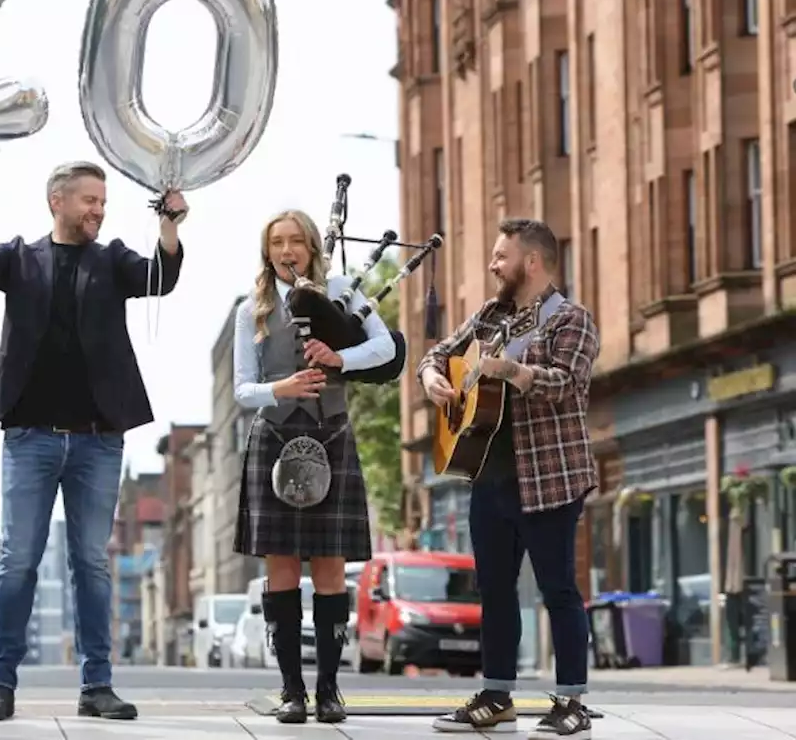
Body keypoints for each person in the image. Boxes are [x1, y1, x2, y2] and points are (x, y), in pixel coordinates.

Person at [0, 147, 187, 722]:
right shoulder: (19, 259)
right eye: (89, 200)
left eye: (103, 202)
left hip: (97, 440)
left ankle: (97, 686)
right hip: (30, 438)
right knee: (19, 560)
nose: (98, 211)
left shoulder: (112, 260)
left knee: (91, 563)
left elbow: (162, 277)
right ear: (57, 201)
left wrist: (169, 225)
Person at [418, 218, 599, 739]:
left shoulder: (572, 320)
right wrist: (433, 378)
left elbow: (565, 384)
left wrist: (509, 371)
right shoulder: (490, 315)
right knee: (495, 593)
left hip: (549, 478)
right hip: (488, 478)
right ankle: (497, 696)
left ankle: (572, 702)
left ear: (532, 262)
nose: (493, 265)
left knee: (558, 589)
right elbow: (437, 354)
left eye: (502, 256)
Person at [232, 209, 397, 725]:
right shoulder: (252, 310)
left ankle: (328, 691)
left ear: (310, 248)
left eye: (296, 242)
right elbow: (242, 389)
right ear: (268, 251)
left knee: (328, 567)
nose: (287, 251)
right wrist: (281, 388)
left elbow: (385, 349)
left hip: (332, 431)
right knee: (280, 566)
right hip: (276, 435)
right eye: (277, 243)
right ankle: (290, 692)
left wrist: (338, 357)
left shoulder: (342, 291)